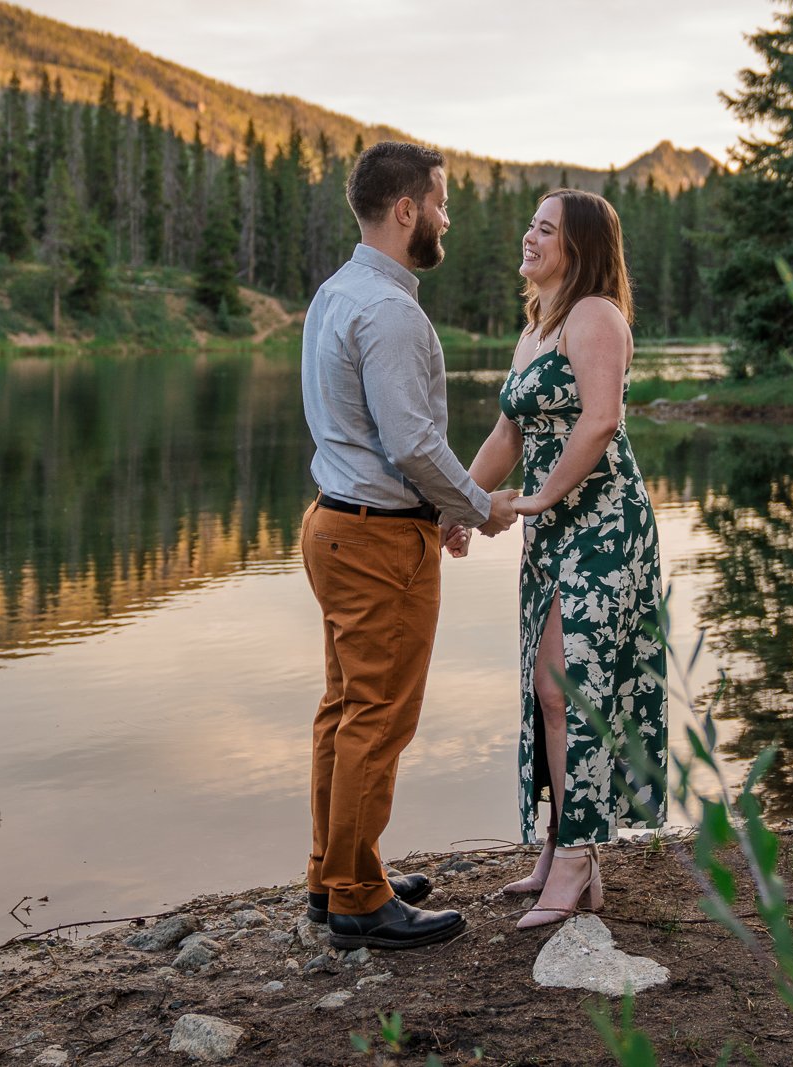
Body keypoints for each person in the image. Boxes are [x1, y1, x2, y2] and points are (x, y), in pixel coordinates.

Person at [300, 140, 519, 951]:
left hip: (337, 523)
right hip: (375, 543)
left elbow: (379, 438)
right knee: (377, 717)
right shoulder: (390, 310)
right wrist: (477, 506)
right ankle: (357, 897)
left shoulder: (337, 292)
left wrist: (441, 509)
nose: (447, 218)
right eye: (442, 202)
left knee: (343, 709)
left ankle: (336, 873)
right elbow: (413, 443)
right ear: (407, 211)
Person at [455, 189, 667, 929]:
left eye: (545, 228)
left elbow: (602, 419)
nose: (529, 235)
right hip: (551, 529)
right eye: (531, 224)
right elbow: (507, 433)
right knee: (548, 690)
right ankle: (564, 845)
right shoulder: (536, 328)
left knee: (574, 688)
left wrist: (539, 500)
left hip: (604, 525)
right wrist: (461, 504)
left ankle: (578, 858)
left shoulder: (595, 317)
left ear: (576, 247)